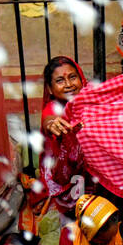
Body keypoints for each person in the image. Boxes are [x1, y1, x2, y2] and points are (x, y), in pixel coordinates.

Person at [40, 56, 92, 231]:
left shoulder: (90, 100)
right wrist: (52, 124)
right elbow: (49, 120)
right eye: (60, 80)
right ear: (50, 89)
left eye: (72, 77)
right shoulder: (53, 108)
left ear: (81, 78)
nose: (68, 84)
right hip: (66, 175)